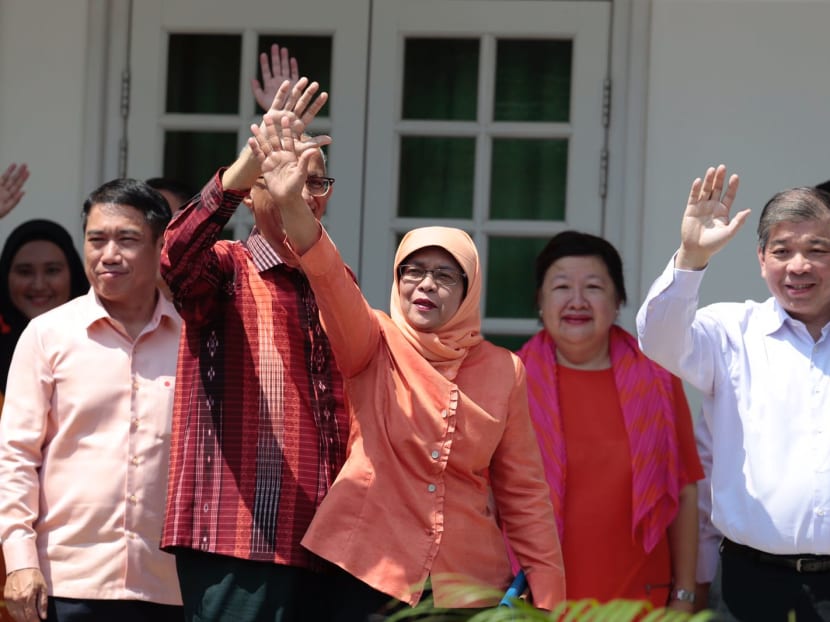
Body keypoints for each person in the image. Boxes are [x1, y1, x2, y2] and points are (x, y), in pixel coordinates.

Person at [248, 113, 566, 619]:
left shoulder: (504, 369)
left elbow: (524, 492)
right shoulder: (373, 338)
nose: (425, 285)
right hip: (366, 570)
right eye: (412, 271)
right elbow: (328, 277)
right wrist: (292, 205)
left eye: (444, 275)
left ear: (468, 291)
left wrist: (549, 599)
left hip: (466, 585)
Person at [159, 77, 350, 621]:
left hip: (328, 546)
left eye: (317, 181)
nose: (303, 192)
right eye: (286, 177)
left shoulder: (337, 281)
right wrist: (246, 164)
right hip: (239, 537)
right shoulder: (225, 268)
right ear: (255, 191)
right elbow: (174, 254)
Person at [637, 164, 830, 621]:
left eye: (817, 250)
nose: (798, 265)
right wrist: (691, 256)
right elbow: (659, 339)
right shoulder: (731, 331)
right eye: (782, 250)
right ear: (761, 259)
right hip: (750, 583)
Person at [0, 179, 182, 622]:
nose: (109, 254)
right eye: (96, 239)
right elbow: (16, 456)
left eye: (127, 239)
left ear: (161, 245)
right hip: (63, 583)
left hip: (170, 585)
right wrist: (21, 560)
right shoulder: (47, 335)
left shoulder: (193, 338)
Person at [515, 231, 702, 612]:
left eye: (594, 287)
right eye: (562, 286)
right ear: (540, 300)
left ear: (618, 301)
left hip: (641, 600)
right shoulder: (508, 382)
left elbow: (683, 493)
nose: (577, 301)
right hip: (534, 603)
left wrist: (685, 596)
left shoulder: (658, 380)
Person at [0, 220, 87, 400]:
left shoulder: (104, 342)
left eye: (52, 270)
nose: (39, 285)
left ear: (73, 275)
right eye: (25, 272)